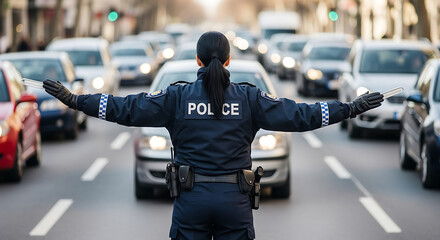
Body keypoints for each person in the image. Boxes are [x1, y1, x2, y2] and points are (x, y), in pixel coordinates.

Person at [42, 31, 384, 240]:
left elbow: (124, 108)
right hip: (236, 201)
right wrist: (349, 108)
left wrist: (74, 100)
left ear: (197, 60)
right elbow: (300, 115)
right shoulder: (250, 97)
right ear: (229, 59)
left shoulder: (176, 98)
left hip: (190, 202)